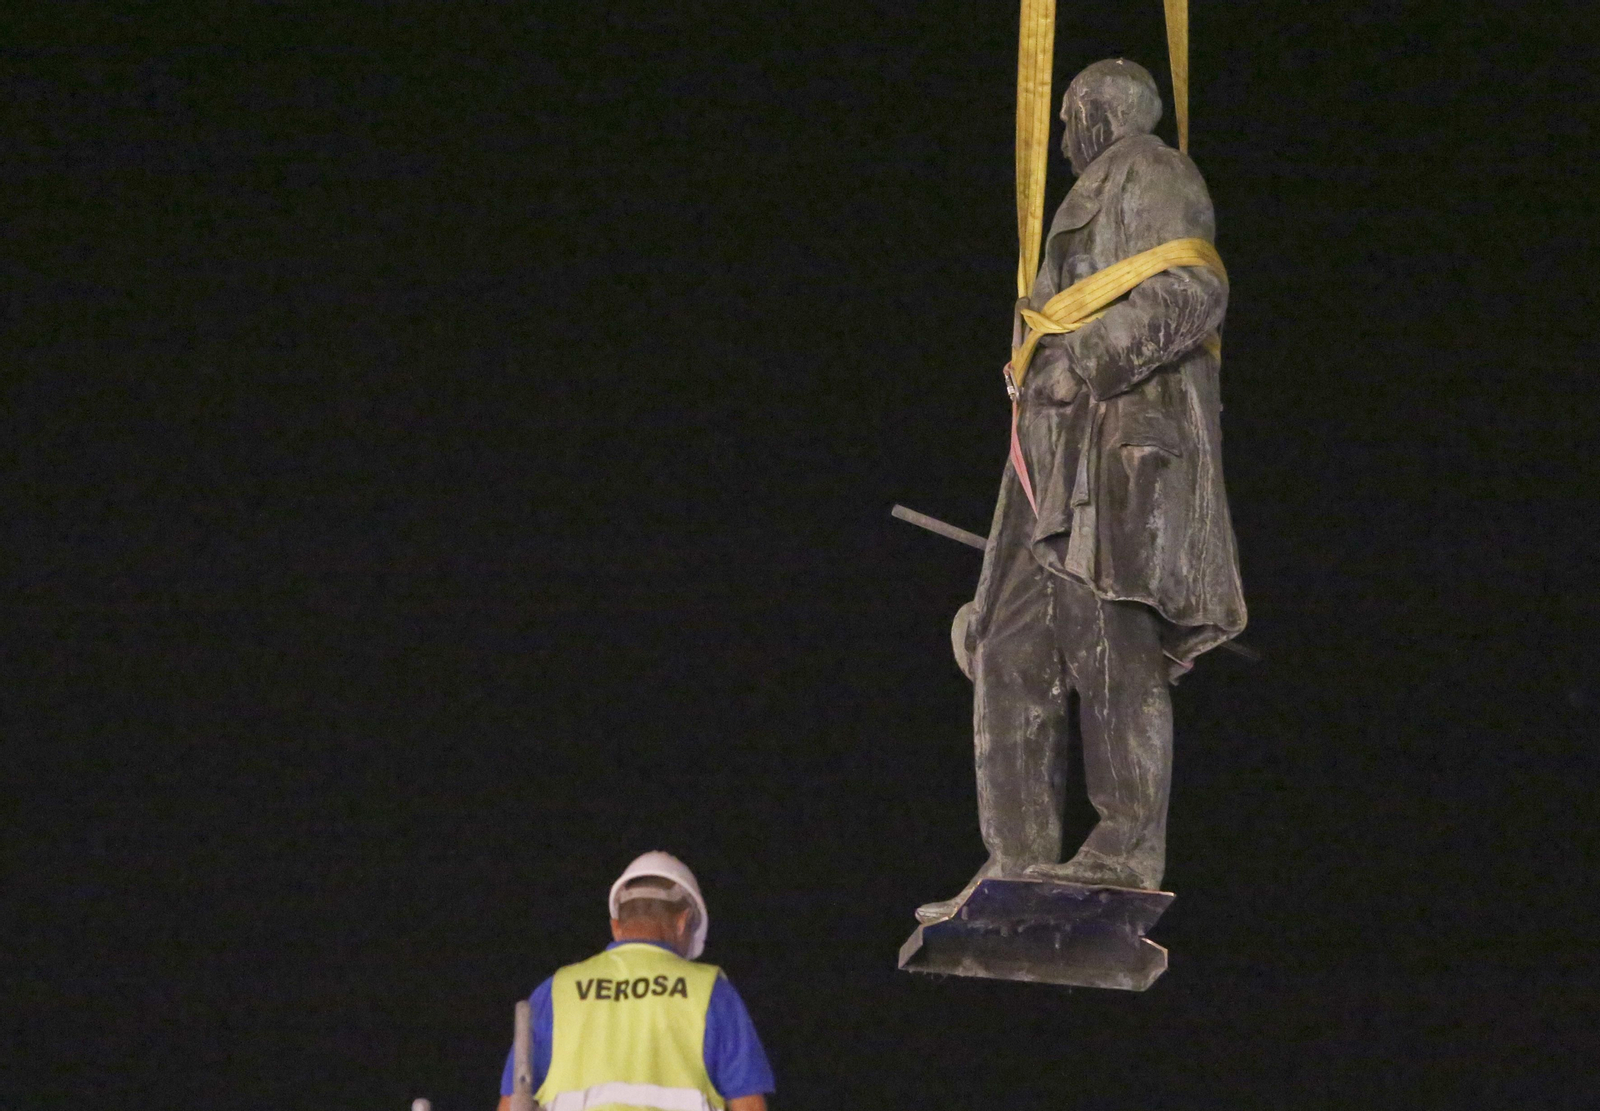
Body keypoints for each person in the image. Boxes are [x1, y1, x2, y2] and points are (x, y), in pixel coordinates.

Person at [921, 59, 1246, 916]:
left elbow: (1194, 288)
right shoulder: (1079, 208)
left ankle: (1123, 852)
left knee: (1110, 640)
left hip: (1119, 454)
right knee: (1006, 649)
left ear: (1098, 114)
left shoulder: (1154, 170)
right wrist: (988, 585)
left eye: (1068, 121)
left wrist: (1087, 353)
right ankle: (1017, 860)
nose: (1063, 141)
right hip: (1051, 468)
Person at [498, 851, 774, 1111]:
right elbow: (748, 1105)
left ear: (616, 927)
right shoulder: (711, 992)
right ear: (683, 922)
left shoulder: (556, 992)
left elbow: (511, 1103)